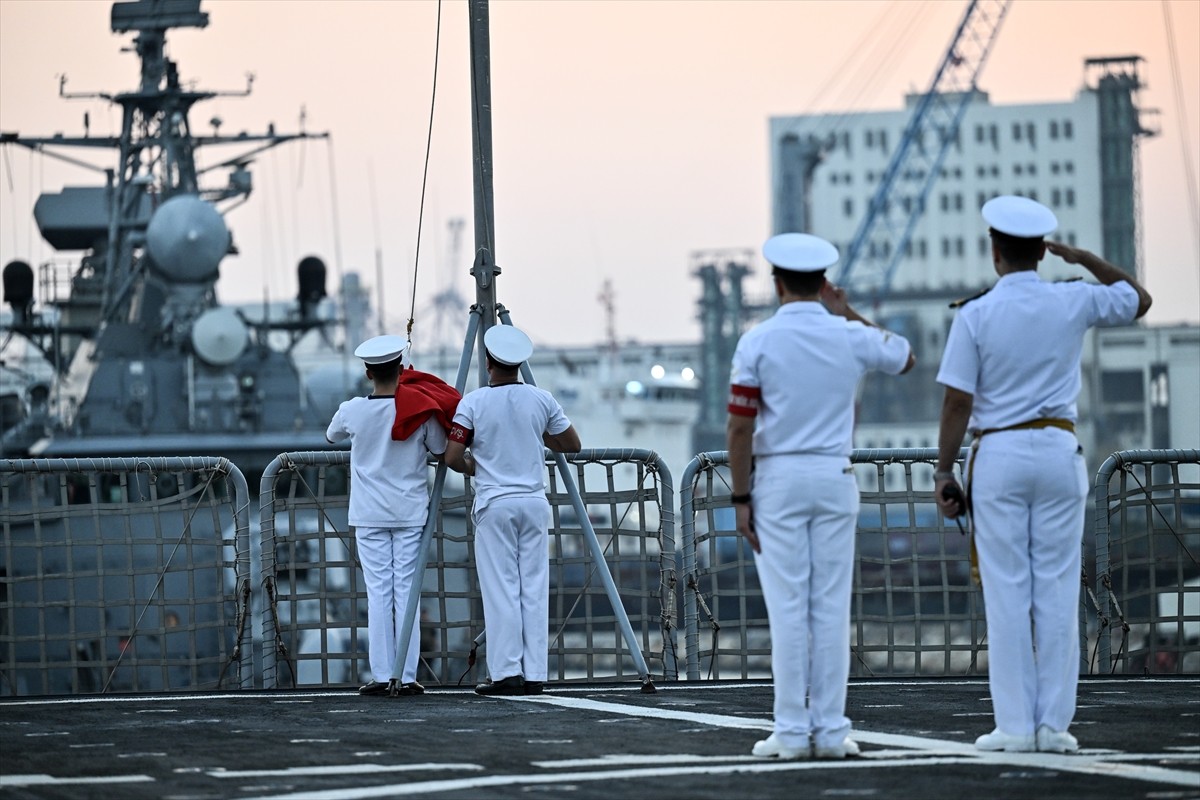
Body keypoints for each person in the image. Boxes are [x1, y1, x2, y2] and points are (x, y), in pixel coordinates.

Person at [934, 195, 1152, 753]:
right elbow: (1137, 298)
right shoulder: (1072, 299)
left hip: (999, 455)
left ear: (995, 252)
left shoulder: (976, 313)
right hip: (1058, 450)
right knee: (1056, 592)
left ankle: (1014, 727)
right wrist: (1083, 259)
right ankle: (1055, 726)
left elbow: (958, 402)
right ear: (1043, 252)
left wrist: (944, 471)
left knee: (1008, 594)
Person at [727, 233, 915, 760]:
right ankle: (831, 731)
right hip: (835, 476)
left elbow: (739, 428)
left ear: (776, 282)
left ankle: (790, 732)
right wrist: (848, 310)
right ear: (824, 284)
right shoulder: (847, 335)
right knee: (831, 611)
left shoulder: (757, 342)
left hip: (779, 481)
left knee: (788, 611)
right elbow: (904, 356)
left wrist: (741, 497)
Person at [445, 324, 581, 697]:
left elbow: (453, 456)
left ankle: (506, 673)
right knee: (534, 589)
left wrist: (476, 466)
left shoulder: (472, 403)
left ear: (488, 362)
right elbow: (572, 443)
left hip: (495, 504)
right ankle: (535, 672)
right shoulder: (542, 399)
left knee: (501, 589)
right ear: (520, 363)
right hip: (535, 503)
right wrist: (538, 436)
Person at [326, 334, 448, 697]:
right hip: (410, 513)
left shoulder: (352, 410)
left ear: (367, 373)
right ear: (401, 370)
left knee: (378, 593)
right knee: (407, 592)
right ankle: (406, 675)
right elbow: (441, 449)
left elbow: (331, 435)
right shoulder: (420, 410)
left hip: (369, 514)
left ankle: (381, 675)